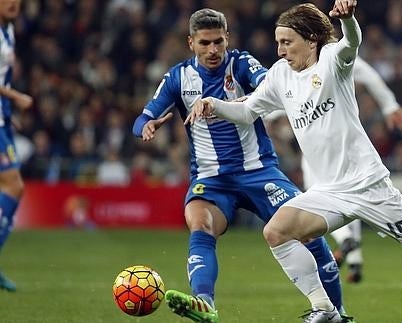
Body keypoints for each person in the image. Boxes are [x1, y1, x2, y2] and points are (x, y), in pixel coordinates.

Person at [188, 1, 402, 323]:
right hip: (329, 191)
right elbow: (247, 111)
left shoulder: (330, 60)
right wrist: (212, 105)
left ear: (310, 40)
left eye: (287, 42)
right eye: (278, 42)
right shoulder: (279, 76)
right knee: (277, 231)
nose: (280, 50)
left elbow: (351, 43)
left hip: (369, 184)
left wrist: (349, 20)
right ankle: (324, 309)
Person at [132, 8, 353, 323]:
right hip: (211, 179)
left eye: (218, 42)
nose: (213, 50)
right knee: (200, 223)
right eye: (205, 43)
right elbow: (142, 117)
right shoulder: (178, 77)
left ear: (227, 39)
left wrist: (239, 101)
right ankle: (205, 304)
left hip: (259, 171)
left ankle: (339, 313)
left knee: (307, 233)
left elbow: (269, 86)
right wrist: (146, 127)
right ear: (191, 42)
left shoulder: (241, 64)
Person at [301, 56, 402, 283]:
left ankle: (344, 241)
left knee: (317, 199)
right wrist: (390, 105)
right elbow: (370, 75)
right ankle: (355, 262)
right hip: (347, 141)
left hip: (317, 145)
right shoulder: (336, 54)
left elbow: (274, 103)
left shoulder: (308, 61)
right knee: (351, 196)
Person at [0, 0, 33, 292]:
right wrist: (15, 97)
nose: (14, 3)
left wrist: (8, 113)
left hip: (1, 119)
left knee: (13, 186)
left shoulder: (7, 30)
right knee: (13, 185)